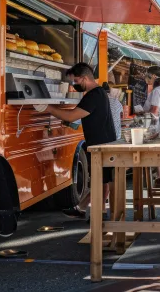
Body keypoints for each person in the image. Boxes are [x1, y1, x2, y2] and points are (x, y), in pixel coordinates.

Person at [40, 63, 117, 218]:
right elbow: (85, 117)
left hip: (99, 145)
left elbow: (71, 115)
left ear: (85, 78)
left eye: (76, 81)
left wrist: (48, 108)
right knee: (103, 180)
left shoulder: (93, 95)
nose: (75, 85)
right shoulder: (100, 92)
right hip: (106, 141)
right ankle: (98, 211)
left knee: (99, 180)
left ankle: (101, 215)